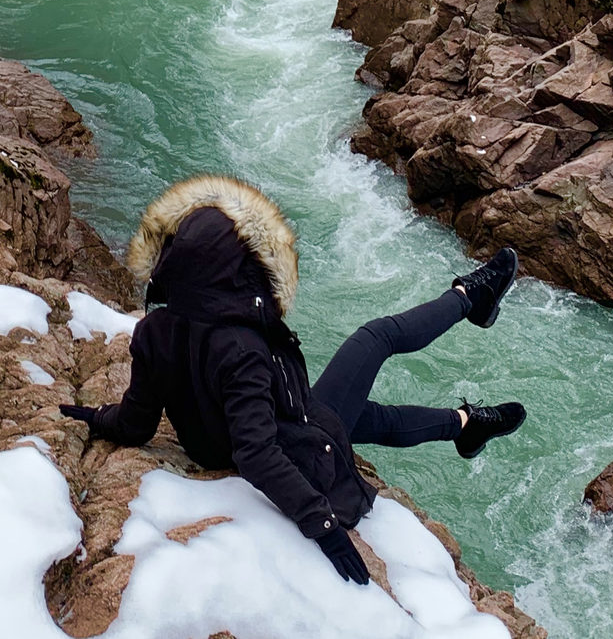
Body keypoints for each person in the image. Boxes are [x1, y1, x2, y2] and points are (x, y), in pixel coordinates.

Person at [59, 175, 525, 585]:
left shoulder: (154, 330)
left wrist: (99, 418)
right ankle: (471, 296)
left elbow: (137, 422)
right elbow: (256, 452)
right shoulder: (240, 347)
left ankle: (465, 425)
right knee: (376, 338)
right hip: (287, 439)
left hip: (238, 430)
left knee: (359, 415)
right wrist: (322, 525)